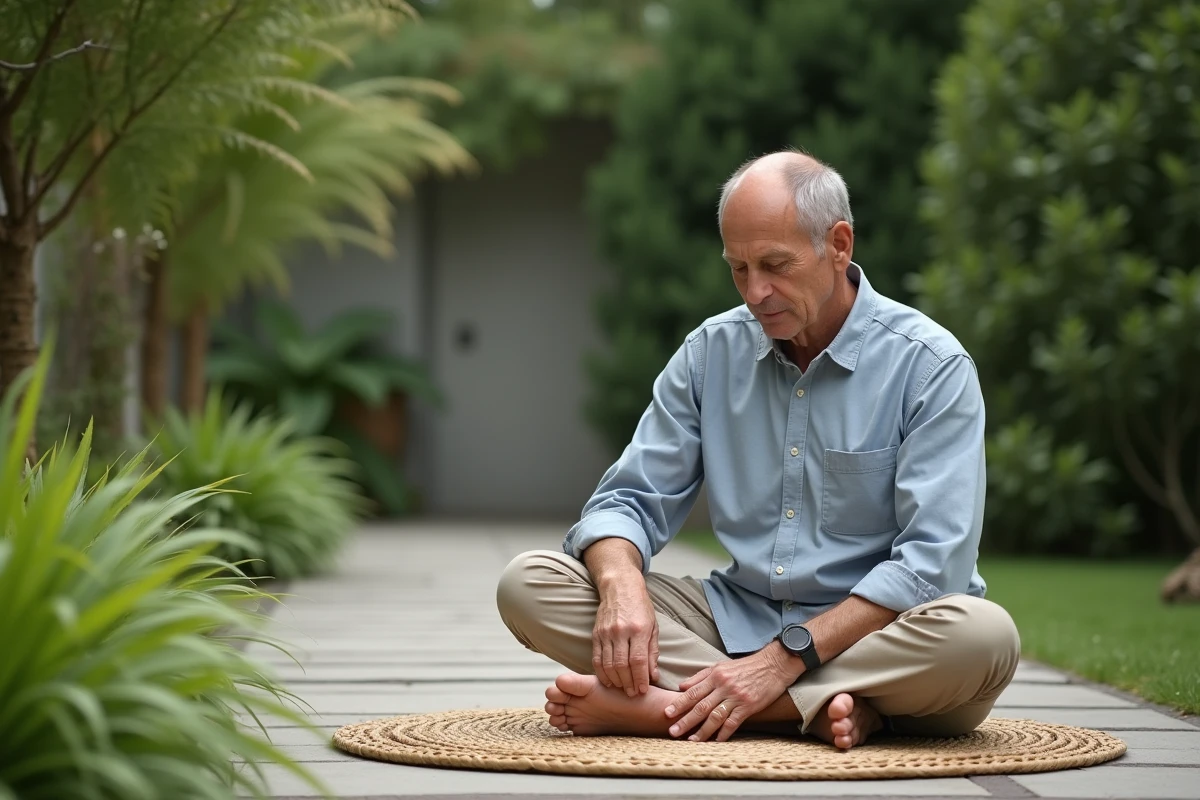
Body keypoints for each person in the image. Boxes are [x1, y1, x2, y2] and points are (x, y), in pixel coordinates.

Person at [496, 150, 1020, 750]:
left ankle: (670, 710)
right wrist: (621, 587)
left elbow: (933, 566)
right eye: (738, 269)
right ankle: (823, 711)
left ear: (839, 244)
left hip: (879, 634)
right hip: (734, 621)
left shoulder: (931, 366)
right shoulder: (709, 354)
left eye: (775, 265)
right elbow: (626, 502)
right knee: (529, 584)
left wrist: (782, 660)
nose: (755, 291)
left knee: (982, 638)